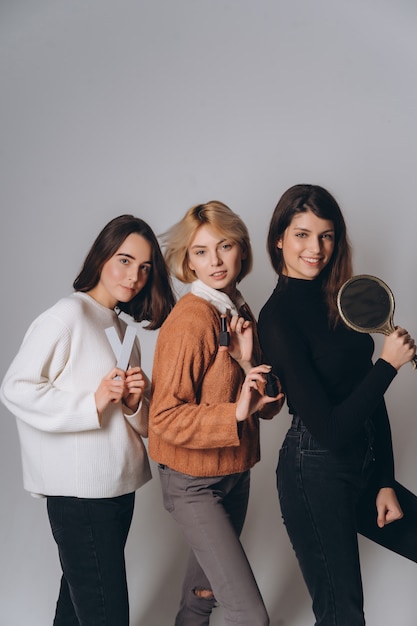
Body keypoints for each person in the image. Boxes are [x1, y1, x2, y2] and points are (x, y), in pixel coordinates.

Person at [0, 214, 175, 626]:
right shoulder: (67, 315)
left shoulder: (120, 329)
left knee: (79, 611)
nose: (134, 276)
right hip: (80, 497)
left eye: (145, 267)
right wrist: (91, 402)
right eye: (125, 260)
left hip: (120, 488)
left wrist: (133, 401)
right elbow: (15, 387)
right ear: (101, 257)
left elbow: (142, 425)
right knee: (105, 613)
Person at [257, 184, 417, 626]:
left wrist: (384, 479)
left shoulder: (340, 300)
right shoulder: (277, 317)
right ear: (279, 239)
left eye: (326, 235)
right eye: (302, 235)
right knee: (342, 613)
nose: (316, 248)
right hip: (314, 471)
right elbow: (328, 427)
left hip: (361, 464)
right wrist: (388, 365)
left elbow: (365, 396)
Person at [148, 201, 284, 626]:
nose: (215, 261)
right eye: (201, 252)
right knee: (250, 615)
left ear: (241, 249)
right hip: (194, 483)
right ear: (187, 262)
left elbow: (254, 403)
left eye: (224, 246)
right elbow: (164, 417)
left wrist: (248, 370)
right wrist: (235, 412)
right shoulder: (192, 319)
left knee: (201, 599)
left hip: (234, 472)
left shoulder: (237, 308)